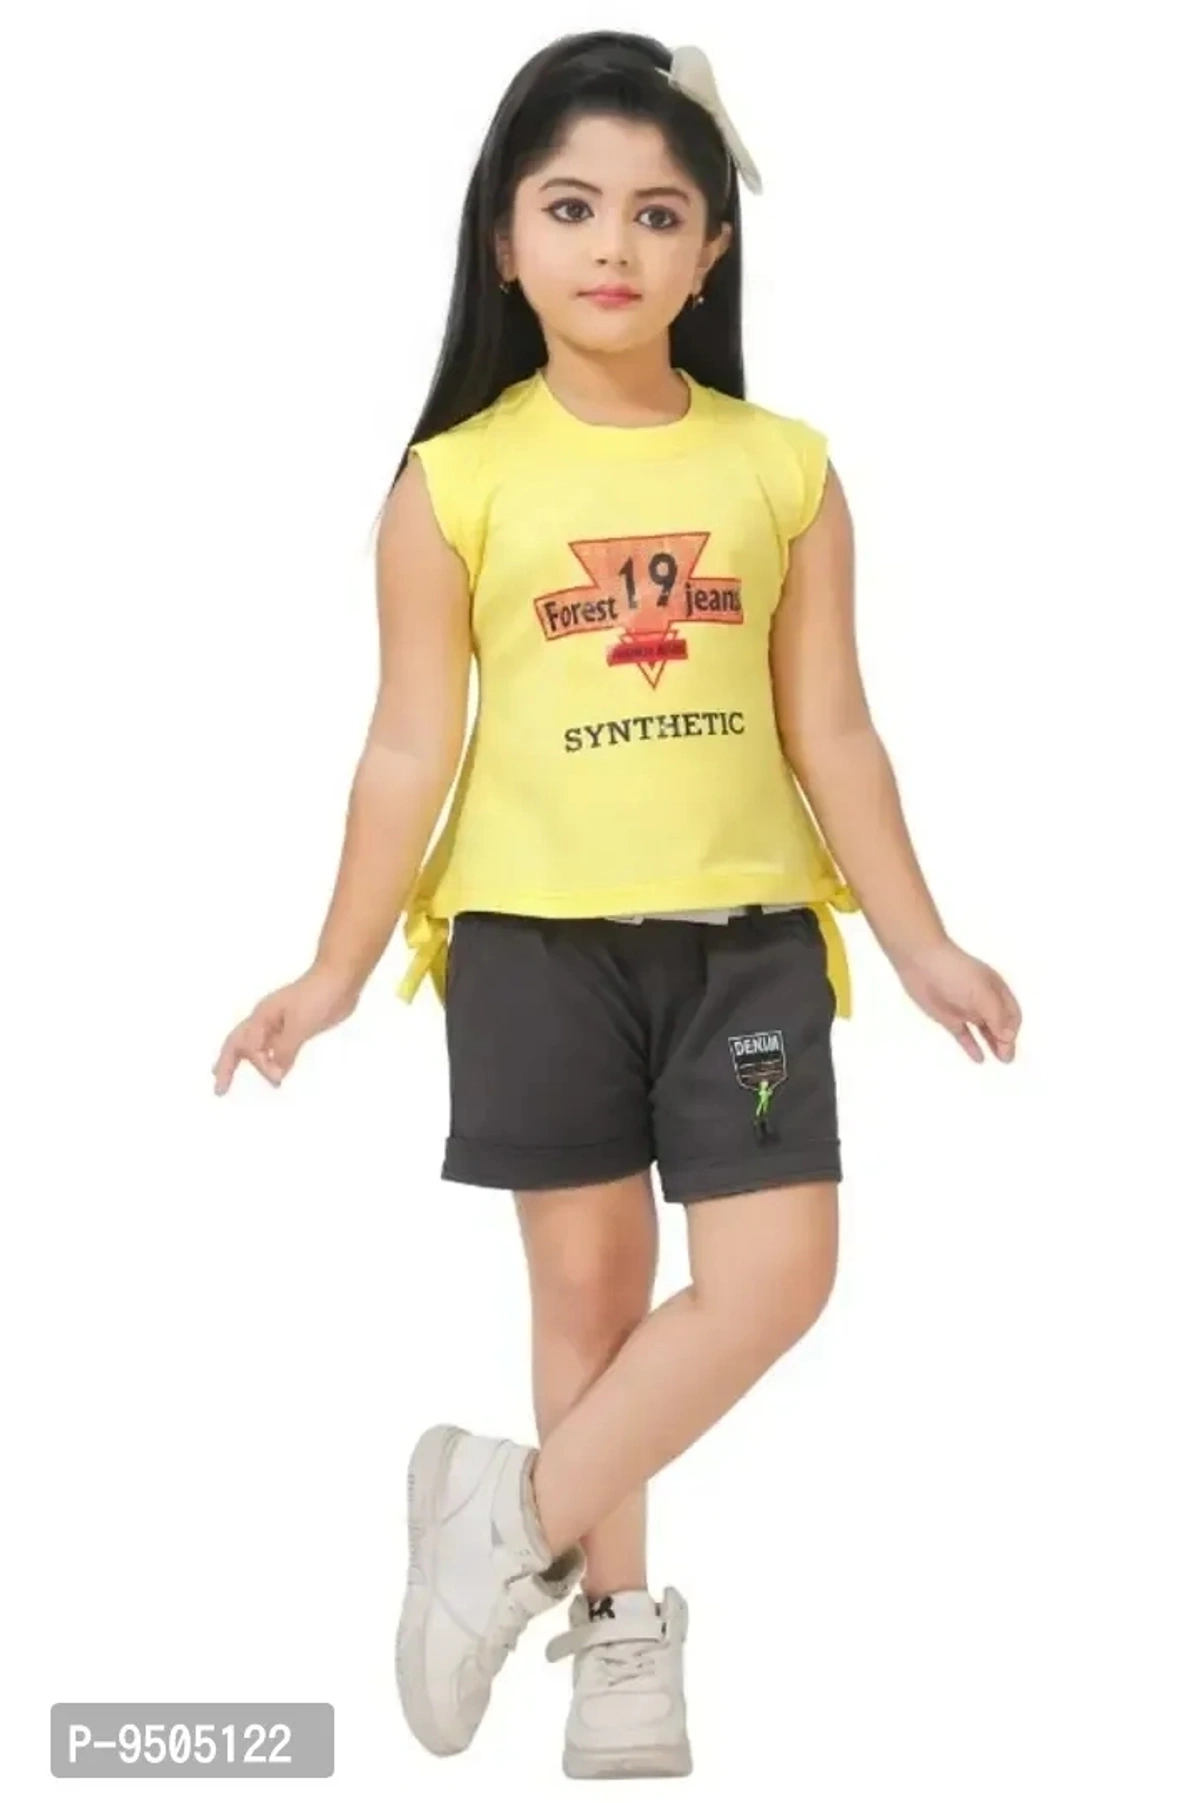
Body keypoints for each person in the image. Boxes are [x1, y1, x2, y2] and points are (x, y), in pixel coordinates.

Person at [213, 28, 1021, 1781]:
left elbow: (836, 732)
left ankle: (504, 1516)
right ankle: (619, 1630)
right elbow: (405, 746)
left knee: (775, 1277)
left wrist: (920, 936)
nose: (614, 245)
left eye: (660, 213)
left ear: (710, 252)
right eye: (571, 206)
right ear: (503, 240)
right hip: (530, 947)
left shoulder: (784, 469)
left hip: (747, 956)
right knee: (590, 1294)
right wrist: (334, 967)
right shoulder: (454, 481)